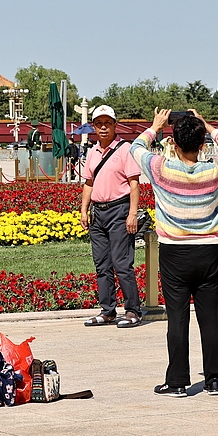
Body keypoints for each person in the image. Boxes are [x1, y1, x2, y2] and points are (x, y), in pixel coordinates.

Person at [131, 108, 218, 397]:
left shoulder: (162, 169)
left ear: (174, 143)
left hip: (174, 252)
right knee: (210, 318)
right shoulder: (214, 170)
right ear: (202, 144)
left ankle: (178, 381)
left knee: (177, 318)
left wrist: (155, 126)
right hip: (207, 252)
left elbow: (136, 147)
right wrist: (207, 124)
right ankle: (215, 379)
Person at [78, 105, 142, 328]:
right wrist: (84, 210)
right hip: (98, 212)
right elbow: (89, 183)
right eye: (99, 123)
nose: (103, 127)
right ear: (94, 126)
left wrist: (132, 213)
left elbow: (134, 184)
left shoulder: (125, 149)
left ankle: (133, 310)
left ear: (115, 125)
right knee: (102, 265)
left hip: (119, 210)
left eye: (108, 123)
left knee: (122, 263)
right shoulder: (92, 152)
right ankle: (108, 311)